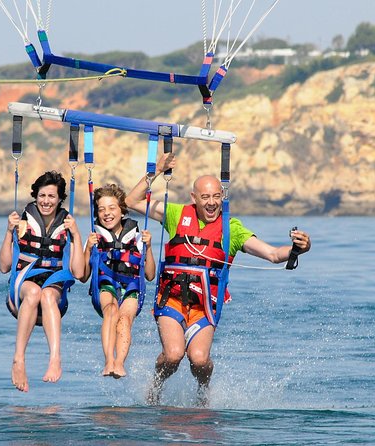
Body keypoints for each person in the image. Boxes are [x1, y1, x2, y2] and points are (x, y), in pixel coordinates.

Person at [125, 153, 311, 406]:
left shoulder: (230, 228)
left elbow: (272, 254)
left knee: (199, 359)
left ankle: (203, 389)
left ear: (222, 197)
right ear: (194, 198)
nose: (212, 203)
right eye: (205, 197)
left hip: (205, 306)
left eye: (216, 197)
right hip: (172, 299)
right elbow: (131, 200)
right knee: (173, 355)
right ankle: (155, 387)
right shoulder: (176, 214)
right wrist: (157, 169)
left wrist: (297, 248)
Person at [0, 171, 84, 392]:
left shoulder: (66, 227)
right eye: (42, 195)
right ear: (35, 196)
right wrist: (9, 232)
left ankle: (55, 358)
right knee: (35, 292)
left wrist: (77, 235)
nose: (46, 201)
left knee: (45, 294)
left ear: (59, 199)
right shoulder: (22, 223)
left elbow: (79, 272)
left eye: (52, 196)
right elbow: (4, 267)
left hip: (53, 292)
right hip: (22, 287)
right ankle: (19, 359)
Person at [81, 184, 156, 379]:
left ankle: (119, 363)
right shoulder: (94, 237)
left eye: (112, 208)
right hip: (105, 284)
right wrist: (88, 249)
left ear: (122, 210)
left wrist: (148, 247)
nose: (107, 213)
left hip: (131, 285)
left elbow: (150, 275)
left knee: (124, 319)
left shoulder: (138, 237)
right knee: (112, 312)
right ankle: (109, 361)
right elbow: (82, 275)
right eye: (101, 209)